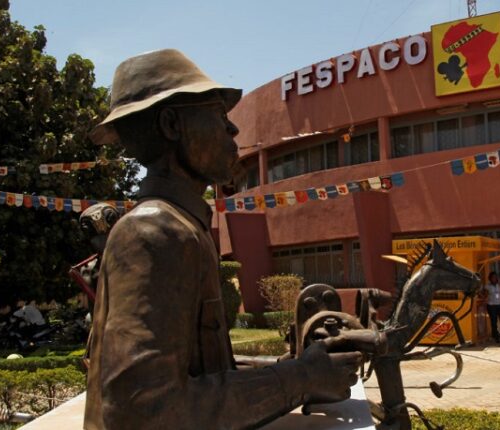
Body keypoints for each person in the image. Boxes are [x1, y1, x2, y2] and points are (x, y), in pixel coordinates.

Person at [84, 49, 362, 430]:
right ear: (171, 124)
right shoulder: (153, 233)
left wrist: (302, 371)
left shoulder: (181, 227)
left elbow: (203, 374)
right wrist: (300, 379)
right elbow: (145, 410)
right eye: (218, 115)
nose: (232, 131)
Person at [485, 271, 500, 344]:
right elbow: (485, 294)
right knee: (494, 322)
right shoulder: (487, 286)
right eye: (493, 277)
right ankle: (496, 337)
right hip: (492, 306)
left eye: (496, 277)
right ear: (490, 278)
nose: (495, 278)